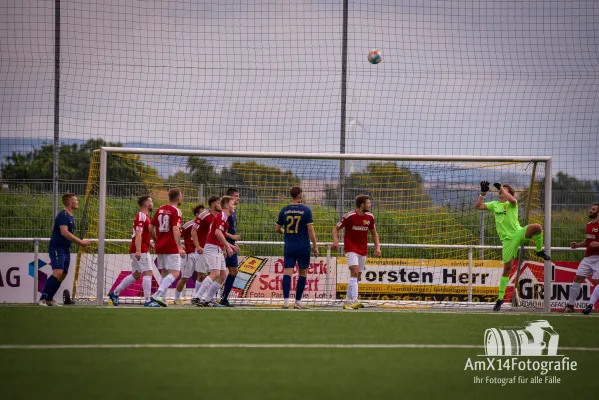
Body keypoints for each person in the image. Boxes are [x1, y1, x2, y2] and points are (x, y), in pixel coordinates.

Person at [475, 181, 550, 312]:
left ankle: (539, 251)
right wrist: (483, 193)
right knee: (507, 268)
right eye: (500, 190)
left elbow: (513, 200)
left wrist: (502, 189)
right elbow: (478, 206)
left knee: (537, 227)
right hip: (507, 241)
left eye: (504, 190)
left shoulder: (512, 204)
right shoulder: (495, 205)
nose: (500, 191)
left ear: (508, 193)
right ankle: (500, 299)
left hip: (518, 233)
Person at [38, 193, 91, 306]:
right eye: (75, 200)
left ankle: (49, 299)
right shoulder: (63, 215)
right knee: (58, 272)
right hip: (57, 248)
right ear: (69, 203)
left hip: (65, 249)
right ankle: (43, 299)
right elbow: (64, 232)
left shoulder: (70, 216)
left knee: (62, 275)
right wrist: (80, 242)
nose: (77, 202)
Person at [108, 196, 160, 307]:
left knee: (136, 274)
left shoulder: (144, 216)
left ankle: (115, 293)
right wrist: (138, 250)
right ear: (146, 204)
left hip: (139, 248)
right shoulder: (141, 216)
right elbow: (138, 234)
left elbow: (144, 236)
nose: (152, 203)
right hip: (140, 249)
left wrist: (151, 245)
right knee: (148, 273)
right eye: (151, 201)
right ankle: (148, 301)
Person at [332, 195, 381, 310]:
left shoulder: (370, 217)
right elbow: (335, 229)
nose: (370, 205)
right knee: (354, 273)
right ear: (362, 205)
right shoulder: (349, 216)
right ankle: (355, 300)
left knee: (357, 276)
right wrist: (336, 241)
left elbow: (374, 233)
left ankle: (346, 302)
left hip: (363, 250)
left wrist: (377, 247)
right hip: (350, 249)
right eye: (368, 203)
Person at [275, 186, 319, 309]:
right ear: (300, 195)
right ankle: (298, 301)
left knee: (287, 273)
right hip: (303, 246)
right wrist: (315, 246)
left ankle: (285, 301)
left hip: (289, 246)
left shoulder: (284, 210)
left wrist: (286, 232)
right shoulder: (306, 210)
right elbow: (310, 230)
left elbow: (277, 229)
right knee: (303, 273)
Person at [195, 196, 239, 306]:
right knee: (215, 273)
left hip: (217, 248)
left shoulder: (224, 217)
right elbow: (217, 233)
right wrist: (228, 247)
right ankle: (197, 297)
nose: (234, 206)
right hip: (212, 247)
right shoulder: (222, 216)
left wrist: (230, 245)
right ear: (227, 206)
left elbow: (220, 234)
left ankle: (207, 299)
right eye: (233, 204)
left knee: (223, 275)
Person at [149, 188, 185, 307]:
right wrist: (179, 246)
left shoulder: (160, 209)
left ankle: (162, 299)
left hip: (160, 246)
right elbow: (175, 229)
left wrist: (155, 240)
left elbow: (150, 226)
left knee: (164, 272)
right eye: (181, 195)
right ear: (178, 197)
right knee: (175, 273)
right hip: (171, 246)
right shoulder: (177, 211)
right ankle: (158, 294)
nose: (182, 197)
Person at [564, 203, 599, 314]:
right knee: (577, 279)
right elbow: (587, 241)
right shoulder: (588, 225)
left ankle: (590, 306)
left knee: (597, 283)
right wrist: (577, 245)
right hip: (588, 258)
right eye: (590, 208)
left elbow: (595, 242)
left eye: (593, 209)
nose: (590, 210)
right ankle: (570, 306)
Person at [191, 196, 221, 305]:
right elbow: (193, 230)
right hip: (202, 249)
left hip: (214, 249)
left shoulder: (220, 216)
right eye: (219, 203)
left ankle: (210, 299)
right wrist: (198, 246)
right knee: (201, 275)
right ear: (213, 205)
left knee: (214, 274)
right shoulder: (204, 215)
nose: (221, 205)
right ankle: (197, 298)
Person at [174, 204, 205, 305]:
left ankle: (197, 298)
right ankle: (176, 298)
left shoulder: (207, 225)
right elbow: (178, 233)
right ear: (197, 214)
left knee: (202, 276)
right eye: (202, 212)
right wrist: (179, 245)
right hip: (190, 254)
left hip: (201, 254)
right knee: (185, 278)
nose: (204, 214)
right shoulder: (189, 225)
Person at [220, 188, 240, 306]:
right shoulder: (224, 213)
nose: (238, 198)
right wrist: (231, 238)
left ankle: (224, 297)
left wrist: (233, 243)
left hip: (230, 245)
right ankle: (209, 297)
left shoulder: (233, 211)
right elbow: (220, 230)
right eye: (236, 196)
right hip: (223, 246)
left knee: (234, 271)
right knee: (218, 273)